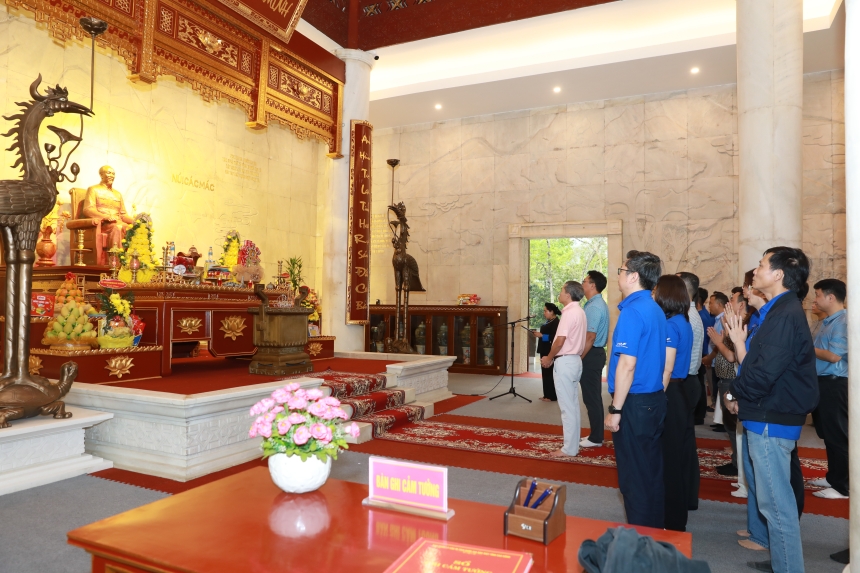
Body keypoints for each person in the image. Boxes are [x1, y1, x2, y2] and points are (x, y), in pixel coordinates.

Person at [724, 247, 818, 573]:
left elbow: (762, 374)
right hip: (767, 413)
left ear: (778, 274)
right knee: (774, 505)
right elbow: (756, 364)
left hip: (771, 419)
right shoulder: (779, 310)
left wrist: (735, 391)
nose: (755, 271)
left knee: (777, 508)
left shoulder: (785, 314)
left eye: (762, 265)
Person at [604, 251, 667, 528]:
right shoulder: (654, 307)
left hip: (635, 402)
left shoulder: (632, 311)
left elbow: (627, 365)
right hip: (653, 399)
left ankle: (641, 538)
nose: (617, 274)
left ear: (633, 277)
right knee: (650, 470)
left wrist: (615, 409)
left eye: (621, 270)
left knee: (634, 477)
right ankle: (654, 529)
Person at [653, 275, 695, 531]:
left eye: (656, 290)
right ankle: (677, 513)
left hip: (670, 391)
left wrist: (656, 398)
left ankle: (672, 520)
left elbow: (666, 369)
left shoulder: (671, 325)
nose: (653, 294)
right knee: (679, 457)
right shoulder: (683, 321)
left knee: (669, 460)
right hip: (680, 391)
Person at [809, 279, 848, 500]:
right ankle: (834, 476)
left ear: (831, 297)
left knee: (837, 435)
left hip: (835, 383)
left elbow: (834, 356)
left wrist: (806, 347)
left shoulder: (842, 321)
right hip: (823, 382)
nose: (815, 299)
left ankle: (842, 486)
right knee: (828, 434)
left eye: (818, 295)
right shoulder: (828, 321)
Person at [540, 281, 587, 457]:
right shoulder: (580, 311)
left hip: (566, 361)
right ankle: (573, 445)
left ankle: (569, 448)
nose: (559, 293)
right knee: (572, 405)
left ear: (568, 294)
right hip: (574, 361)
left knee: (567, 408)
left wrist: (549, 357)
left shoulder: (569, 313)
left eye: (561, 290)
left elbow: (560, 341)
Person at [676, 271, 704, 508]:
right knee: (684, 444)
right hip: (687, 382)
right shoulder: (686, 314)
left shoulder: (687, 318)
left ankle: (684, 496)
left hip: (685, 383)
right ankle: (686, 496)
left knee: (681, 446)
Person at [580, 270, 609, 448]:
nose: (582, 284)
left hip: (591, 354)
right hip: (594, 353)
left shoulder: (594, 307)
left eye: (584, 281)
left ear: (592, 285)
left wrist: (579, 358)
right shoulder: (594, 304)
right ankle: (595, 434)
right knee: (591, 397)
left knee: (592, 398)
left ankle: (596, 438)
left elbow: (590, 337)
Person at [533, 303, 562, 402]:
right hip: (544, 349)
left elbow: (555, 338)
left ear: (552, 312)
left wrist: (542, 336)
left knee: (549, 373)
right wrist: (539, 335)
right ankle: (546, 395)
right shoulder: (548, 321)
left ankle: (552, 396)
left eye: (545, 311)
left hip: (550, 350)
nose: (544, 313)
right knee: (545, 372)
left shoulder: (556, 322)